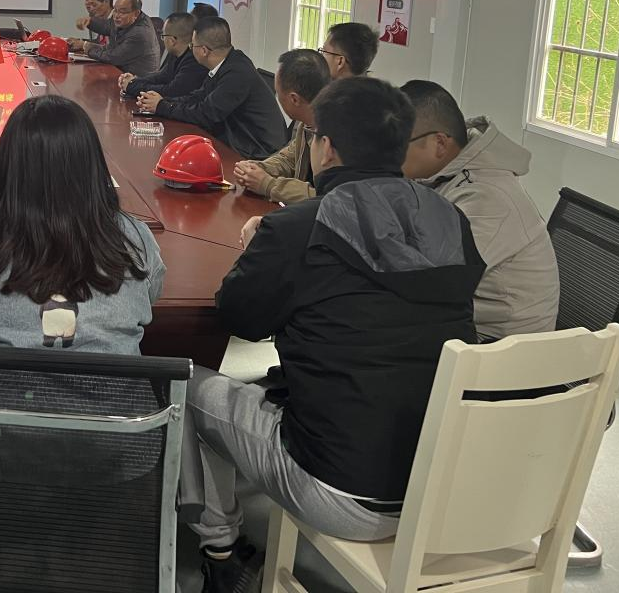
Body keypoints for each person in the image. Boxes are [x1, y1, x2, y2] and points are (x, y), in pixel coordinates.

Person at [179, 77, 484, 592]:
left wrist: (258, 249)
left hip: (341, 493)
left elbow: (240, 319)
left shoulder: (297, 228)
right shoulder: (450, 219)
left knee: (184, 385)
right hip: (441, 484)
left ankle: (223, 551)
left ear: (326, 147)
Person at [0, 95, 164, 353]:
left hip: (3, 382)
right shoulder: (135, 239)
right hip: (114, 382)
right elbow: (150, 296)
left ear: (8, 165)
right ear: (92, 163)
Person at [401, 80, 560, 341]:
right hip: (462, 326)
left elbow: (426, 281)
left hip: (500, 349)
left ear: (439, 143)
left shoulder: (487, 198)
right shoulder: (444, 175)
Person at [136, 16, 286, 160]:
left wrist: (163, 106)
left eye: (192, 45)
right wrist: (160, 102)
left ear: (203, 50)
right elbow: (198, 97)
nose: (190, 49)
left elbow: (206, 114)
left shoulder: (237, 72)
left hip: (256, 150)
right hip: (238, 141)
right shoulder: (227, 63)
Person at [232, 49, 330, 204]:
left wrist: (268, 184)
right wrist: (256, 169)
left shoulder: (337, 136)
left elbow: (326, 199)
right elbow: (289, 159)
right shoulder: (306, 122)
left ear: (294, 99)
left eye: (277, 93)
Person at [67, 0, 160, 77]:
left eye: (122, 12)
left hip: (137, 82)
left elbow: (113, 57)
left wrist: (87, 48)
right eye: (115, 10)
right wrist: (89, 22)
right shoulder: (127, 21)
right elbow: (107, 26)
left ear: (136, 13)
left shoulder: (140, 33)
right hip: (121, 74)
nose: (116, 15)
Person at [119, 11, 207, 99]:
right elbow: (161, 77)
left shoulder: (194, 62)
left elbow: (170, 91)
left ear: (172, 41)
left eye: (163, 36)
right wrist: (134, 81)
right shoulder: (176, 53)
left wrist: (131, 86)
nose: (163, 40)